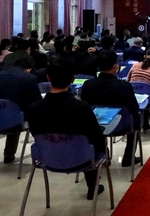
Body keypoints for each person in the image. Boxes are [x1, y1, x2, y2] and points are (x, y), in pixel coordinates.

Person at [27, 59, 106, 200]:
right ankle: (93, 186)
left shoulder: (34, 108)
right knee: (90, 144)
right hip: (82, 158)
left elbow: (35, 133)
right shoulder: (81, 108)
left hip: (47, 158)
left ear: (48, 78)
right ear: (72, 79)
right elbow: (95, 136)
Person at [81, 51, 142, 167]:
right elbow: (134, 108)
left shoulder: (88, 85)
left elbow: (85, 108)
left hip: (96, 125)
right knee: (135, 121)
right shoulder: (124, 86)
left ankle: (103, 155)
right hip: (121, 125)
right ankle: (128, 157)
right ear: (115, 67)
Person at [0, 56, 42, 163]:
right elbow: (37, 102)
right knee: (24, 114)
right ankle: (43, 151)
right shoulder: (29, 79)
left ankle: (9, 154)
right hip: (15, 121)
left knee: (12, 112)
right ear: (28, 69)